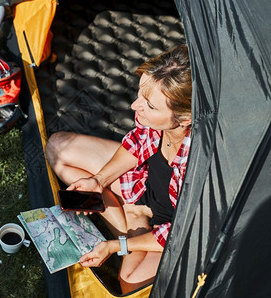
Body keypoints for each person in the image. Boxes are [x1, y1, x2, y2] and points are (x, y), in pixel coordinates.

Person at [45, 45, 192, 294]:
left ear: (185, 118)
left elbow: (182, 232)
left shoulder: (198, 162)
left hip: (175, 226)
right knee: (58, 148)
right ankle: (133, 221)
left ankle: (130, 234)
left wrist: (115, 246)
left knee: (129, 282)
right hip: (143, 185)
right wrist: (98, 180)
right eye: (140, 95)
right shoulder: (152, 114)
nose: (135, 106)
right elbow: (138, 142)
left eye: (150, 106)